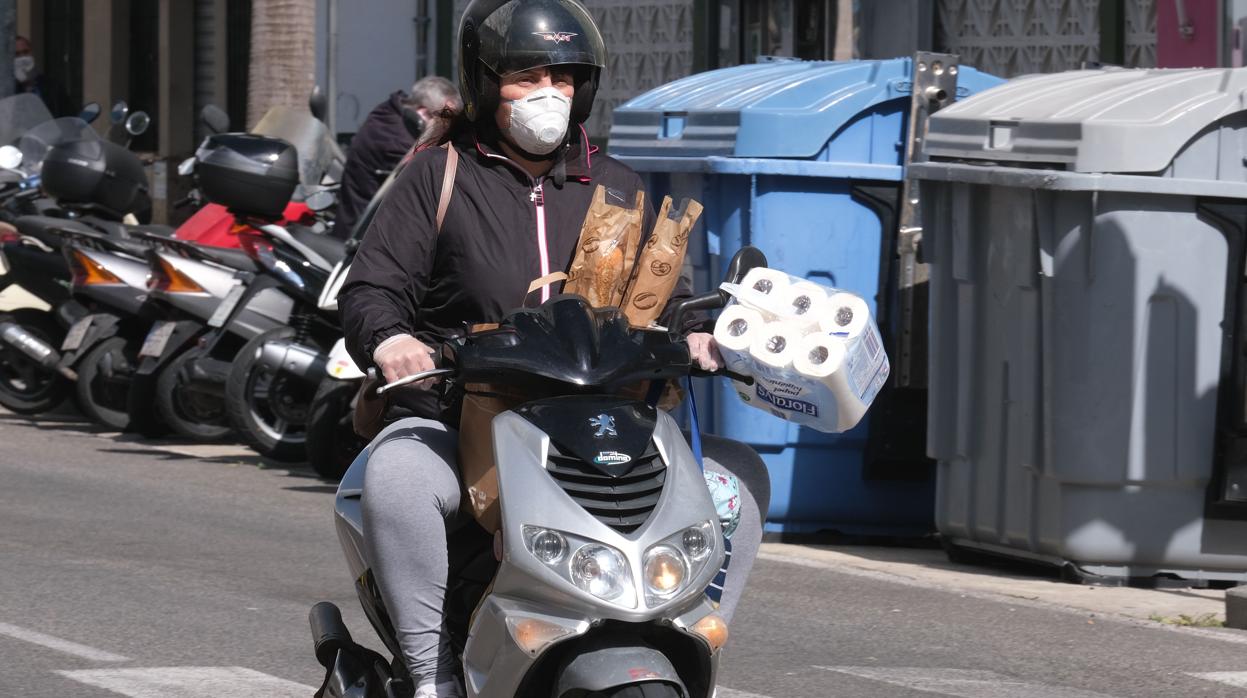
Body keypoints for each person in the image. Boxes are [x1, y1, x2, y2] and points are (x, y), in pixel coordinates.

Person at [338, 1, 769, 695]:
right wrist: (391, 340)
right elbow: (371, 290)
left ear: (585, 88)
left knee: (737, 479)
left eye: (563, 78)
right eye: (525, 76)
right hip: (464, 409)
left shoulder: (619, 186)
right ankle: (432, 674)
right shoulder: (437, 177)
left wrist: (701, 332)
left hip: (604, 419)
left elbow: (668, 298)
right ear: (484, 84)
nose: (547, 93)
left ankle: (695, 636)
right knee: (397, 479)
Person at [333, 76, 461, 239]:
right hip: (362, 239)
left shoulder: (389, 111)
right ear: (422, 113)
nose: (447, 128)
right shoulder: (395, 139)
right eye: (445, 120)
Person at [13, 36, 71, 118]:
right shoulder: (7, 91)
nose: (22, 58)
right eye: (17, 54)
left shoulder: (53, 86)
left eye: (26, 52)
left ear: (32, 53)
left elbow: (69, 117)